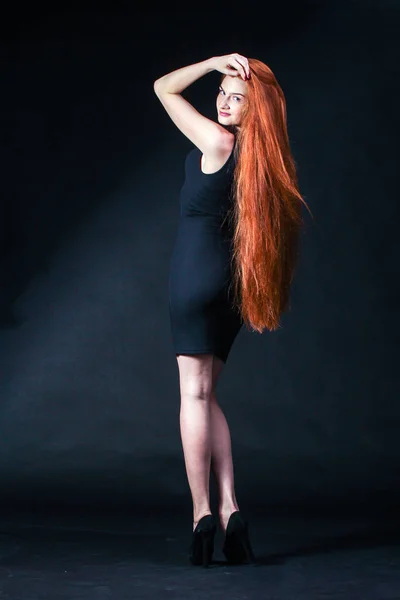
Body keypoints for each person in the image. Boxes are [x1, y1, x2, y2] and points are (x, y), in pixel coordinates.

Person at [154, 53, 310, 567]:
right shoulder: (264, 160)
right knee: (209, 394)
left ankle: (200, 514)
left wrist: (210, 63)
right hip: (234, 289)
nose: (222, 101)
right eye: (220, 91)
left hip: (194, 278)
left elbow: (163, 88)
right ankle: (230, 509)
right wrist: (228, 75)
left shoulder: (218, 143)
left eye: (235, 97)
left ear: (253, 109)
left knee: (191, 395)